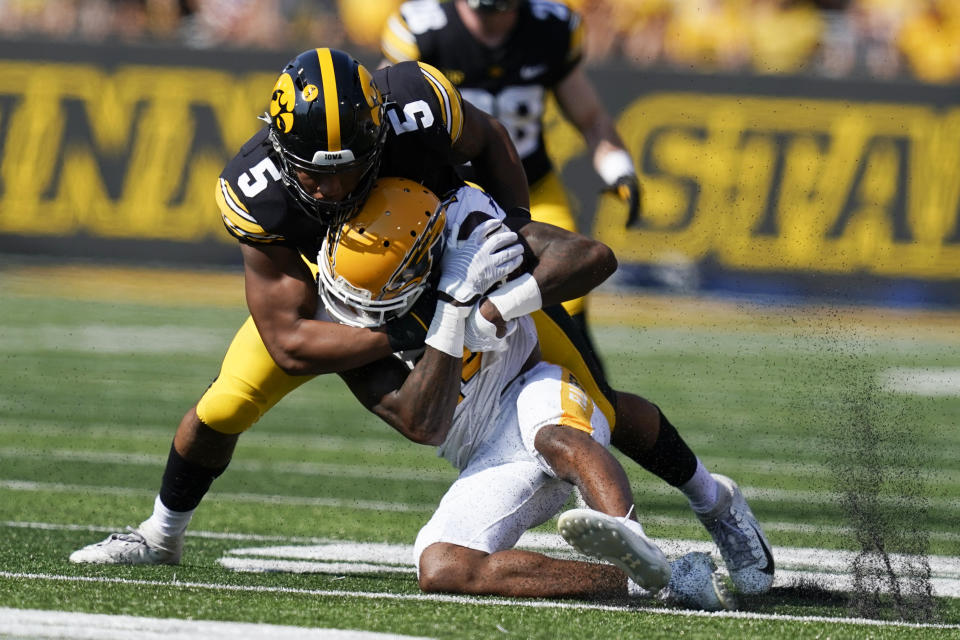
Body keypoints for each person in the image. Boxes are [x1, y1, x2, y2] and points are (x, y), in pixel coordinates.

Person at [70, 46, 774, 598]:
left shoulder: (413, 105)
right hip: (342, 297)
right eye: (319, 176)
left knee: (597, 406)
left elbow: (493, 138)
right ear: (283, 154)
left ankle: (716, 508)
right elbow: (288, 341)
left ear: (380, 133)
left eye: (352, 170)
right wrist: (425, 326)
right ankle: (160, 534)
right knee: (222, 405)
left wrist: (511, 234)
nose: (338, 189)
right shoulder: (258, 191)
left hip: (442, 248)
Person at [321, 176, 733, 610]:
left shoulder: (471, 233)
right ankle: (653, 581)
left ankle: (632, 537)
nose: (354, 307)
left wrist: (495, 305)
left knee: (556, 437)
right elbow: (423, 424)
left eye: (375, 288)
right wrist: (452, 304)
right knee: (443, 565)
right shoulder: (332, 324)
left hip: (534, 385)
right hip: (484, 451)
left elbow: (592, 257)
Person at [380, 0, 642, 354]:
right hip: (449, 194)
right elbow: (382, 113)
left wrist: (618, 167)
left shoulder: (549, 27)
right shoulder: (423, 29)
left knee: (567, 297)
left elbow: (591, 118)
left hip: (530, 186)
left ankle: (587, 392)